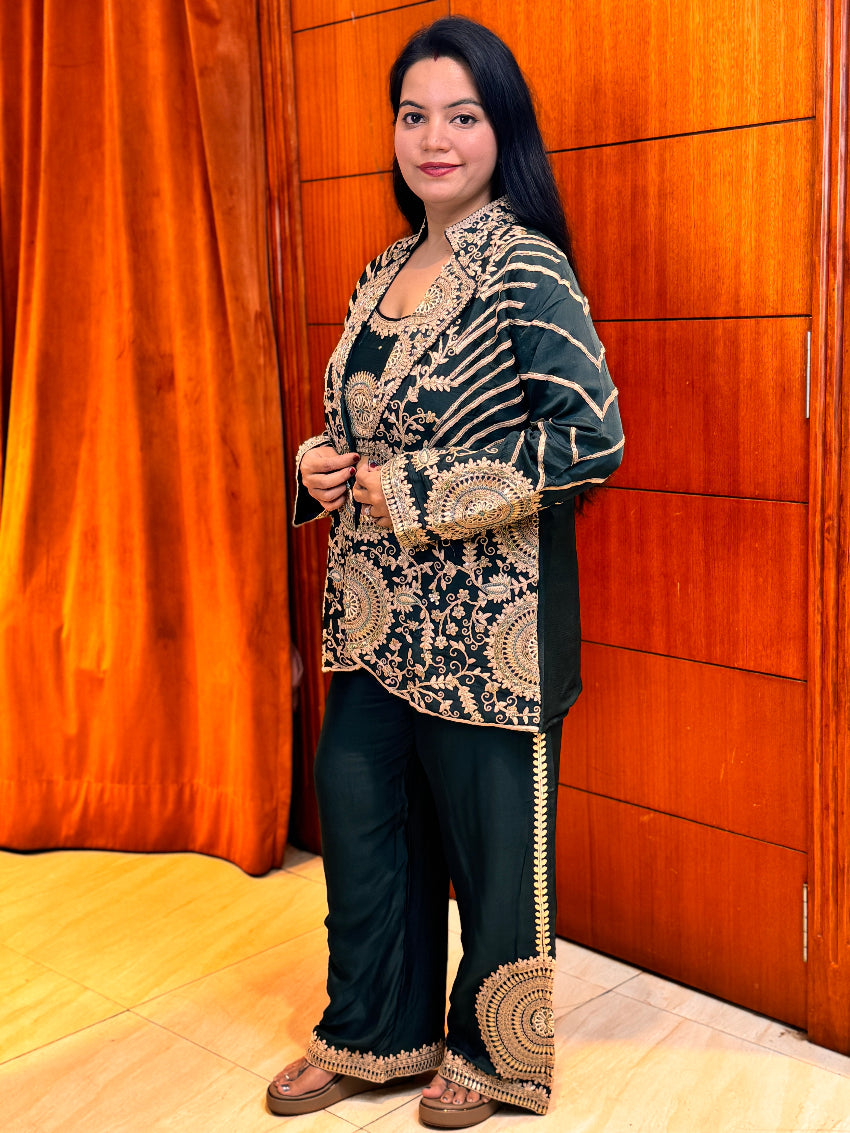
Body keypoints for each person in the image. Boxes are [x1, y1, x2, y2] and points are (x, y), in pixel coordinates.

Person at [267, 15, 624, 1129]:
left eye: (461, 116)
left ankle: (493, 1054)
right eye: (415, 114)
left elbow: (591, 439)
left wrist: (415, 492)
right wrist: (319, 463)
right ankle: (375, 1029)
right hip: (373, 616)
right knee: (365, 820)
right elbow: (357, 424)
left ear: (498, 130)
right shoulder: (383, 271)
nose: (435, 137)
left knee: (494, 852)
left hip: (492, 628)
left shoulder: (526, 265)